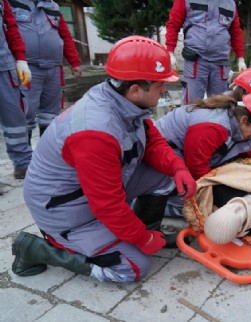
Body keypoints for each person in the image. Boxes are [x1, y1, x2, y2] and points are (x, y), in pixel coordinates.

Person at [11, 36, 197, 283]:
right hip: (64, 209)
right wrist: (140, 239)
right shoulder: (95, 132)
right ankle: (35, 249)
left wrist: (177, 168)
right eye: (160, 85)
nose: (164, 89)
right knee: (132, 267)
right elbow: (107, 205)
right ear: (135, 89)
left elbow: (152, 140)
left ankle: (146, 231)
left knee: (167, 176)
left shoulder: (122, 100)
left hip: (87, 193)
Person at [154, 92, 251, 216]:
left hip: (179, 150)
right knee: (196, 209)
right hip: (160, 155)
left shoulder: (230, 117)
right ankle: (162, 207)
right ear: (244, 120)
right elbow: (197, 166)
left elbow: (234, 146)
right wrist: (211, 192)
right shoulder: (215, 127)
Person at [10, 0, 82, 137]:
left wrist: (74, 62)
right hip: (26, 68)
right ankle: (24, 156)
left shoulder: (53, 6)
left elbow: (65, 35)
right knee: (25, 111)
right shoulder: (11, 3)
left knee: (50, 114)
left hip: (54, 69)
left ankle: (45, 152)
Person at [165, 0, 246, 104]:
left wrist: (241, 58)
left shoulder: (230, 4)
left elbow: (236, 32)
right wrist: (170, 52)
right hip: (196, 60)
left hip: (220, 63)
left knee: (221, 106)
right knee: (192, 105)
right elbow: (173, 24)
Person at [0, 0, 32, 179]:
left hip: (3, 66)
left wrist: (21, 58)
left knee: (15, 120)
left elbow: (11, 27)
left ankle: (23, 165)